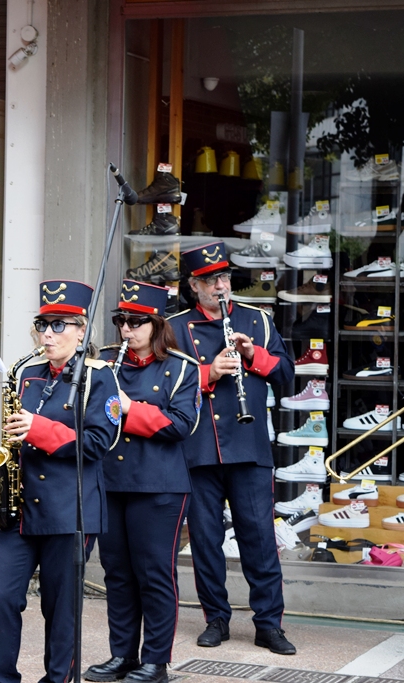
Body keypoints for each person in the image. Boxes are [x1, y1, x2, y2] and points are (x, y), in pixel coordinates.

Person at [0, 279, 122, 683]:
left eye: (59, 325)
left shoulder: (100, 377)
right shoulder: (25, 372)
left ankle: (58, 679)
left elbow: (100, 442)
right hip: (19, 508)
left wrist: (39, 429)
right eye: (43, 324)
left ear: (82, 331)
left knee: (61, 610)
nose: (48, 334)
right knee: (0, 601)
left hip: (69, 508)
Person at [166, 242, 296, 655]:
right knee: (205, 541)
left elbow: (288, 376)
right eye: (211, 281)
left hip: (249, 446)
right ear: (194, 286)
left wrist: (252, 354)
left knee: (259, 538)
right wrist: (208, 372)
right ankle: (216, 619)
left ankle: (269, 623)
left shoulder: (258, 320)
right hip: (199, 449)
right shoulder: (173, 327)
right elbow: (163, 387)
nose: (221, 287)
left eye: (224, 279)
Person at [85, 280, 200, 683]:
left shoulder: (181, 367)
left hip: (158, 486)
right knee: (116, 572)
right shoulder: (107, 363)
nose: (126, 329)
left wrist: (131, 409)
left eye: (135, 322)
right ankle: (123, 655)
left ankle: (156, 660)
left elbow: (182, 424)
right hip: (111, 479)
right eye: (121, 321)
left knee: (154, 573)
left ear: (155, 324)